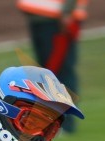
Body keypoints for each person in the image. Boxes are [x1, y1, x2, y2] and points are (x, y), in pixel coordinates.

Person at [17, 0, 88, 132]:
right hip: (43, 18)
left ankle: (65, 124)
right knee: (45, 73)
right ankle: (49, 122)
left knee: (61, 72)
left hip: (57, 19)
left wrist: (67, 12)